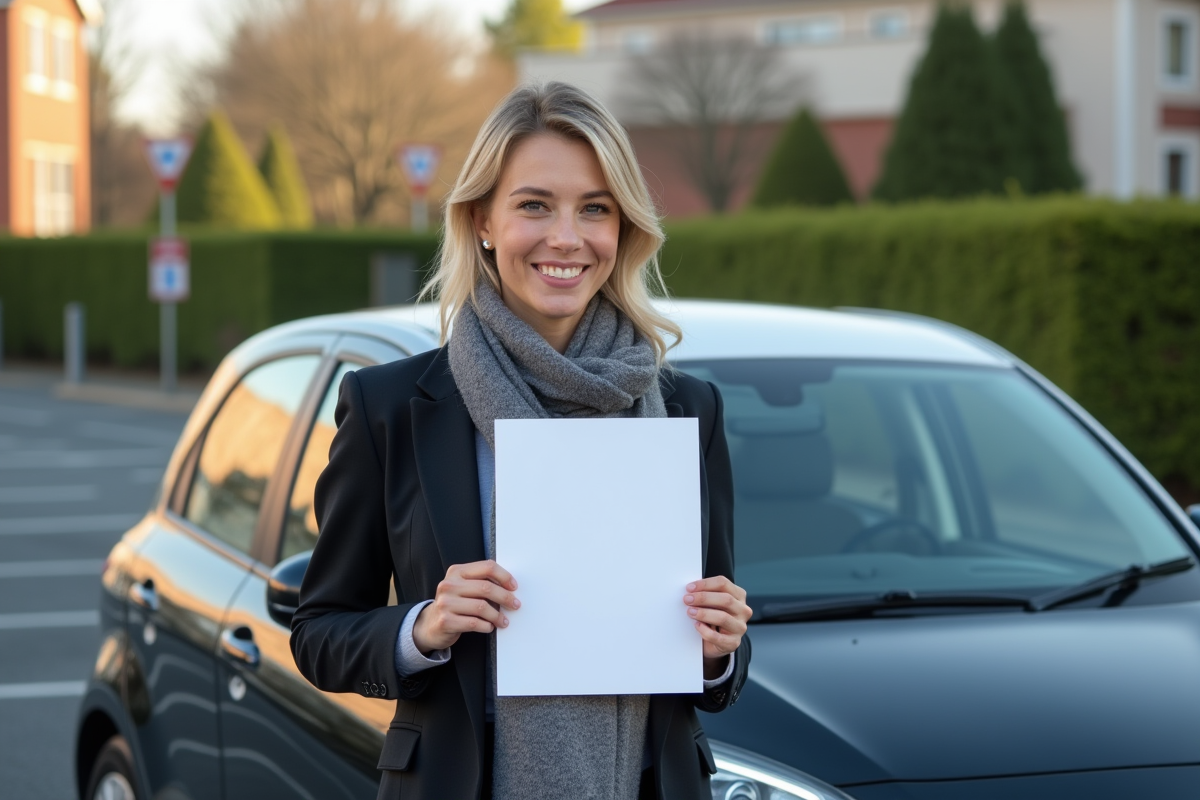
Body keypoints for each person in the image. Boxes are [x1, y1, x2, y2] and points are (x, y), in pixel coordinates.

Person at [290, 81, 752, 800]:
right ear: (481, 220)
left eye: (595, 209)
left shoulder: (689, 411)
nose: (566, 238)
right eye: (534, 205)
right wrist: (425, 626)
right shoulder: (390, 409)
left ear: (623, 229)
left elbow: (714, 669)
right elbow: (320, 634)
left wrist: (721, 647)